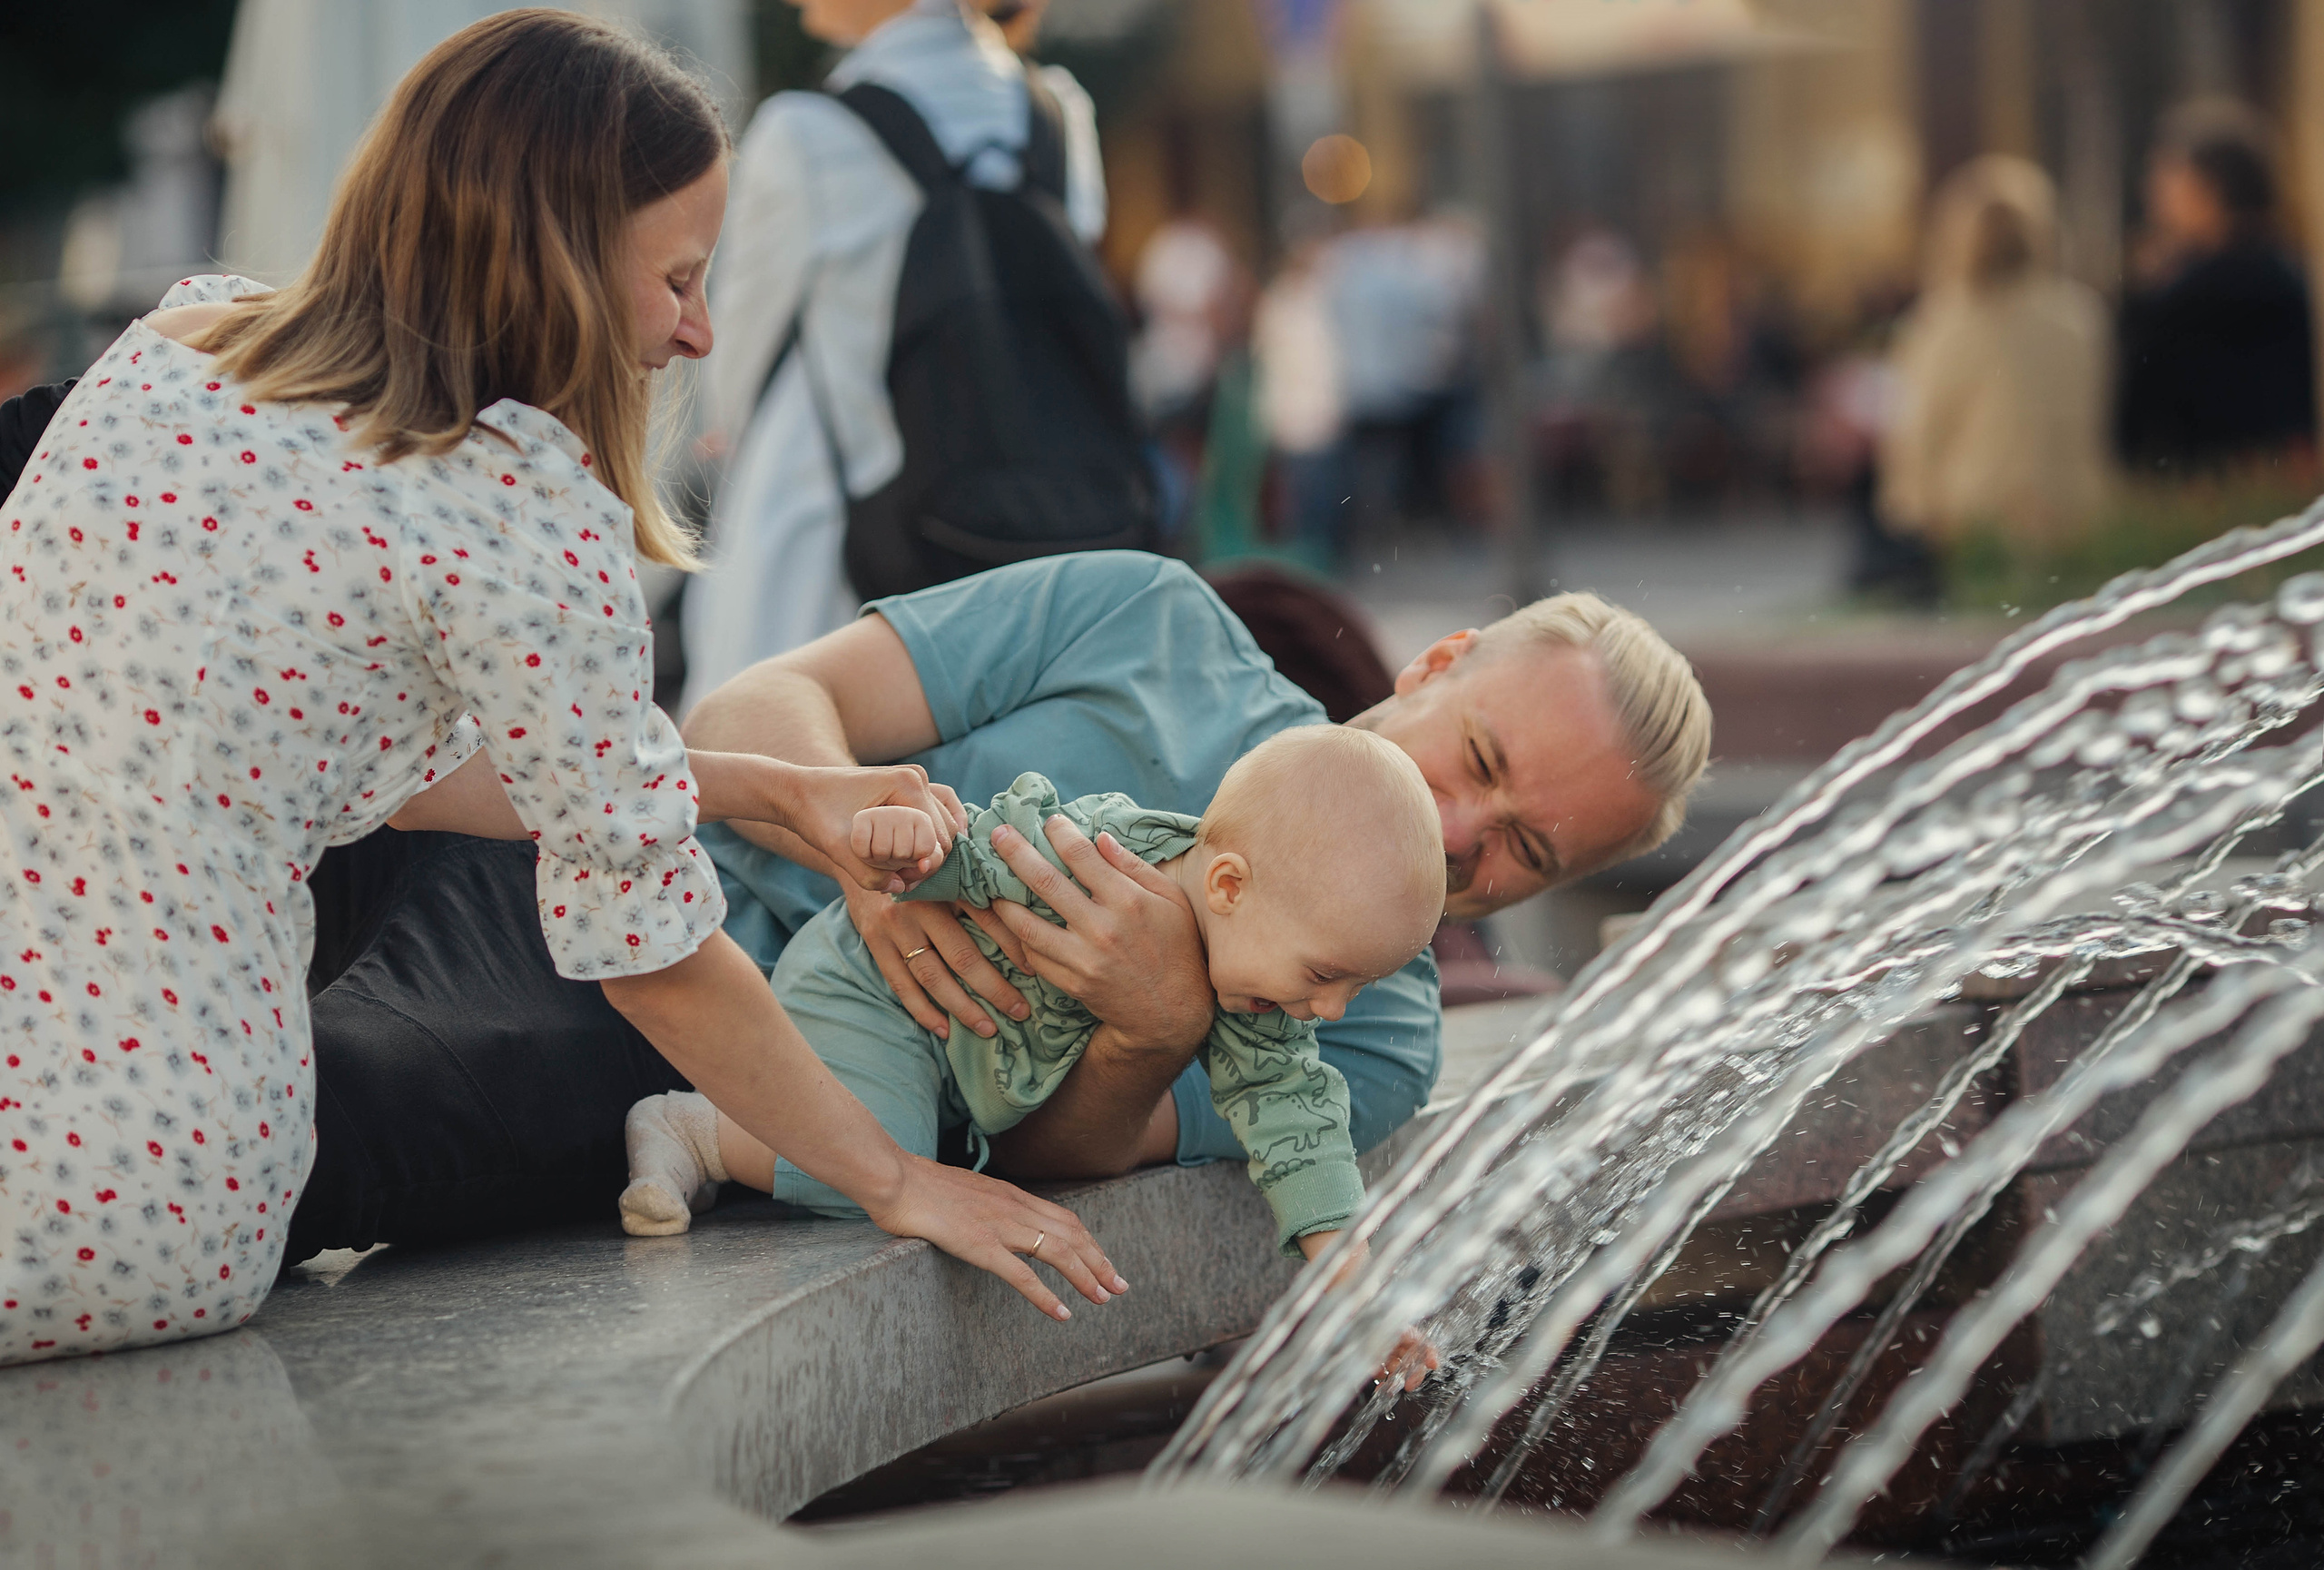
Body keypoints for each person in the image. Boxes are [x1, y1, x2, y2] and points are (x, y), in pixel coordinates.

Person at [0, 11, 1123, 1368]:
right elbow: (651, 957)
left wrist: (770, 789)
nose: (702, 331)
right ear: (562, 262)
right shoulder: (515, 519)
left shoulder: (173, 355)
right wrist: (900, 1179)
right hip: (136, 1195)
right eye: (681, 279)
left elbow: (391, 772)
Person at [276, 553, 1709, 1266]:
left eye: (1523, 849)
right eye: (1483, 762)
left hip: (691, 1042)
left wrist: (1152, 1028)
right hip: (604, 851)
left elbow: (1036, 1155)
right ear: (1444, 662)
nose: (1462, 833)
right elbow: (768, 700)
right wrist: (855, 846)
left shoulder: (1373, 1022)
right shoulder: (1155, 621)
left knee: (360, 1100)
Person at [621, 727, 1443, 1269]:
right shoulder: (1092, 856)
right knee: (874, 1162)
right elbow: (976, 851)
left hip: (960, 1058)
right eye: (1327, 974)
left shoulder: (1260, 994)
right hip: (875, 992)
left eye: (1357, 987)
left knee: (924, 1162)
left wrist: (1352, 1284)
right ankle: (693, 1129)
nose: (1331, 1011)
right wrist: (904, 845)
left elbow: (1298, 1123)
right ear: (1227, 884)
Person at [679, 0, 1111, 716]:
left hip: (833, 533)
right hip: (1036, 520)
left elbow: (734, 350)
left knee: (773, 764)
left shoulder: (807, 131)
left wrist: (724, 434)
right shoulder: (1056, 111)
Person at [1879, 155, 2110, 560]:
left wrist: (1911, 511)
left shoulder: (1944, 324)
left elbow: (1916, 438)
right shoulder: (2080, 316)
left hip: (1972, 525)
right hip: (2075, 521)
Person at [2117, 101, 2316, 477]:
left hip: (2211, 498)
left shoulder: (2191, 295)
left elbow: (2138, 409)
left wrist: (2147, 290)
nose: (2155, 193)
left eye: (2169, 175)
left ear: (2211, 186)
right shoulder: (2289, 272)